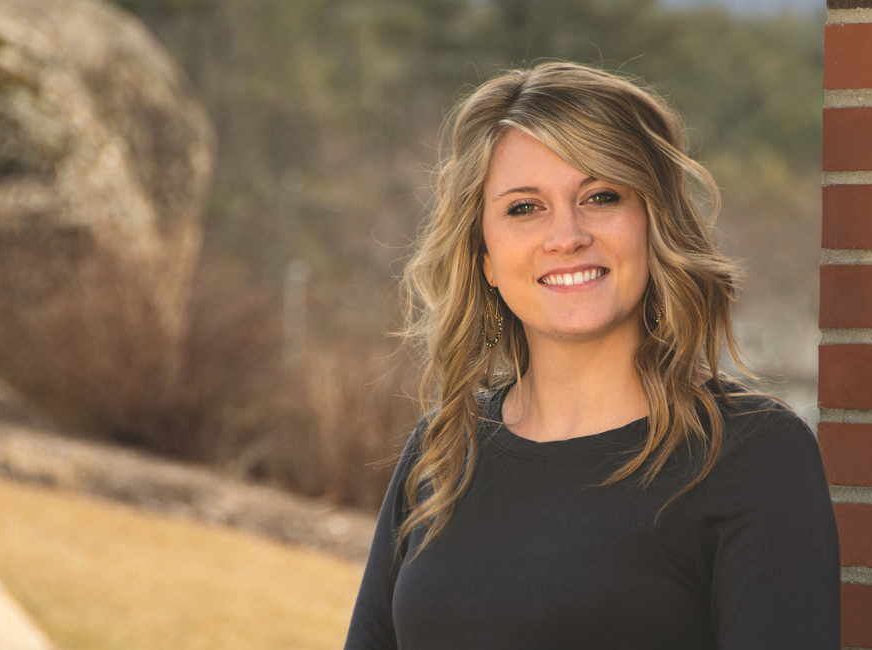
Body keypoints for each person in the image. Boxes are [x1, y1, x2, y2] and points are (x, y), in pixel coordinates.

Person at [344, 61, 839, 650]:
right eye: (524, 207)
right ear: (484, 259)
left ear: (654, 224)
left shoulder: (750, 453)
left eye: (602, 196)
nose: (567, 235)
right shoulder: (443, 450)